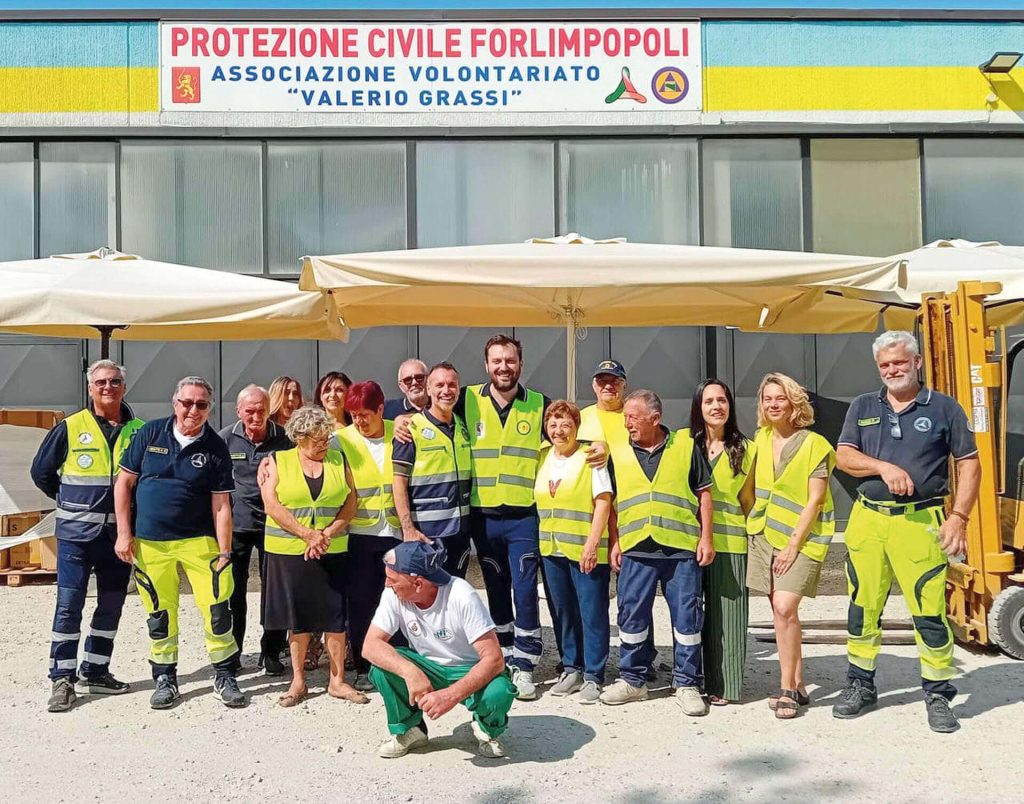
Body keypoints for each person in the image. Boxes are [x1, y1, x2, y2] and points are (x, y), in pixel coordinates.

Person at [833, 330, 979, 734]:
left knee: (929, 612)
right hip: (868, 520)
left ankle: (937, 692)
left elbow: (969, 464)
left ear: (917, 362)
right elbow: (844, 456)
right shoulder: (863, 405)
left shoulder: (945, 408)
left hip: (921, 522)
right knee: (863, 607)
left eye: (899, 362)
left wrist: (959, 518)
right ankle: (860, 685)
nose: (892, 370)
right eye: (884, 365)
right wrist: (882, 467)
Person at [114, 376, 245, 710]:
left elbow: (221, 505)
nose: (193, 410)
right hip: (150, 543)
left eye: (201, 404)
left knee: (217, 611)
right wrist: (124, 533)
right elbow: (124, 485)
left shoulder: (215, 446)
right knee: (159, 613)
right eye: (187, 402)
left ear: (209, 409)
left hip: (200, 543)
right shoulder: (150, 433)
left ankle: (224, 674)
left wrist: (225, 550)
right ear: (175, 403)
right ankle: (165, 678)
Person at [30, 359, 145, 713]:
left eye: (114, 382)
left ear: (124, 387)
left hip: (119, 537)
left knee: (111, 605)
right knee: (69, 606)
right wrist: (69, 501)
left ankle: (95, 670)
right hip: (76, 536)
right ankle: (62, 678)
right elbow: (42, 473)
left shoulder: (141, 430)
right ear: (90, 387)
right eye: (100, 382)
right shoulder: (69, 427)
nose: (107, 387)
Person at [599, 390, 714, 716]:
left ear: (655, 417)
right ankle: (633, 680)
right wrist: (615, 540)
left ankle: (687, 683)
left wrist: (707, 538)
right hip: (637, 547)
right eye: (625, 418)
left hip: (680, 550)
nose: (626, 424)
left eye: (632, 418)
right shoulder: (618, 452)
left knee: (687, 619)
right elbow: (611, 501)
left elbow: (705, 494)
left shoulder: (687, 447)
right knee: (631, 616)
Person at [362, 540, 517, 759]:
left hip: (469, 668)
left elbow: (493, 659)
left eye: (393, 579)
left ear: (418, 583)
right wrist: (410, 672)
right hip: (429, 667)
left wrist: (451, 695)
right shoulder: (394, 594)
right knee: (382, 667)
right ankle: (410, 730)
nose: (387, 584)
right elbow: (370, 646)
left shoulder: (461, 595)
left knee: (499, 691)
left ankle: (487, 729)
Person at [260, 405, 367, 707]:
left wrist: (328, 533)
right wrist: (307, 535)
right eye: (318, 439)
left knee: (336, 614)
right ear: (299, 437)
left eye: (327, 437)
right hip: (289, 551)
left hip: (333, 548)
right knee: (299, 617)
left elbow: (351, 501)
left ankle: (338, 680)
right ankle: (298, 681)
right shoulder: (277, 461)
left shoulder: (338, 459)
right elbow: (272, 504)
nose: (324, 444)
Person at [745, 372, 835, 721]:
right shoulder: (760, 439)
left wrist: (793, 547)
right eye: (767, 398)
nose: (773, 404)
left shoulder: (815, 445)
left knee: (784, 606)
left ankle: (785, 688)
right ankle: (797, 681)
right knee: (782, 614)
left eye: (779, 398)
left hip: (803, 538)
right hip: (765, 535)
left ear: (794, 402)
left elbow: (815, 501)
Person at [535, 400, 613, 704]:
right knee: (563, 611)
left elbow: (604, 500)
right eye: (553, 424)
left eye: (565, 423)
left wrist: (593, 543)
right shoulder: (542, 457)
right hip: (551, 548)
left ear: (576, 427)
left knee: (591, 612)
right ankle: (572, 667)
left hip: (584, 548)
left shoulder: (590, 457)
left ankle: (594, 674)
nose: (558, 430)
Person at [689, 379, 756, 705]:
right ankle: (692, 677)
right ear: (698, 408)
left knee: (728, 615)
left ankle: (725, 685)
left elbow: (750, 500)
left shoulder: (748, 449)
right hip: (689, 542)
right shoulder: (687, 446)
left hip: (730, 542)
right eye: (709, 401)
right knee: (692, 613)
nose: (717, 406)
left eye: (722, 400)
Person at [218, 384, 290, 675]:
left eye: (261, 410)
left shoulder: (284, 439)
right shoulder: (224, 439)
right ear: (239, 411)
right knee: (233, 592)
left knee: (274, 593)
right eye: (249, 411)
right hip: (236, 527)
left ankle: (271, 651)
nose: (256, 416)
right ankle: (233, 652)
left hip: (274, 527)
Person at [334, 380, 402, 693]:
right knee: (360, 604)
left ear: (380, 409)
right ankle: (364, 666)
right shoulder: (340, 440)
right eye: (354, 415)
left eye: (365, 414)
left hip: (396, 533)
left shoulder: (398, 432)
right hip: (359, 535)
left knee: (399, 601)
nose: (360, 421)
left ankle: (399, 662)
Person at [391, 362, 473, 577]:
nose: (446, 391)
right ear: (428, 389)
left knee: (454, 597)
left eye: (452, 385)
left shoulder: (463, 427)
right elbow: (398, 481)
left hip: (460, 533)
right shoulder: (411, 429)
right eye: (439, 385)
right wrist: (408, 529)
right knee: (425, 599)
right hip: (426, 534)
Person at [309, 370, 353, 668]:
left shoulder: (360, 427)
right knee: (314, 587)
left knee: (344, 589)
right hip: (317, 524)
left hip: (353, 519)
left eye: (340, 389)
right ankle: (311, 644)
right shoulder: (310, 429)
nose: (333, 395)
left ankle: (344, 646)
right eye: (327, 389)